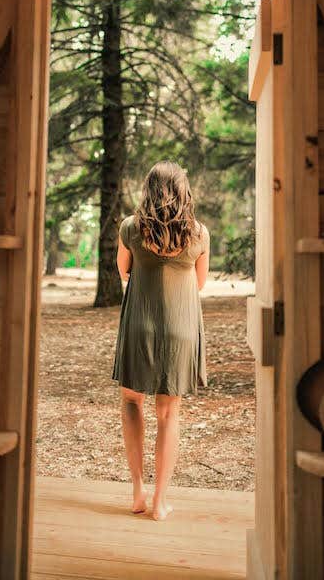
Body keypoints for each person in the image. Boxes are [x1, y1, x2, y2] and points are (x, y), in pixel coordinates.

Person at [111, 160, 209, 521]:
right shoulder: (199, 234)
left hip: (139, 324)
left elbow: (123, 271)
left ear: (149, 191)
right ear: (184, 192)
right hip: (180, 330)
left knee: (131, 403)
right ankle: (160, 502)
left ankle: (137, 491)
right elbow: (199, 284)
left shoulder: (130, 228)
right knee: (168, 414)